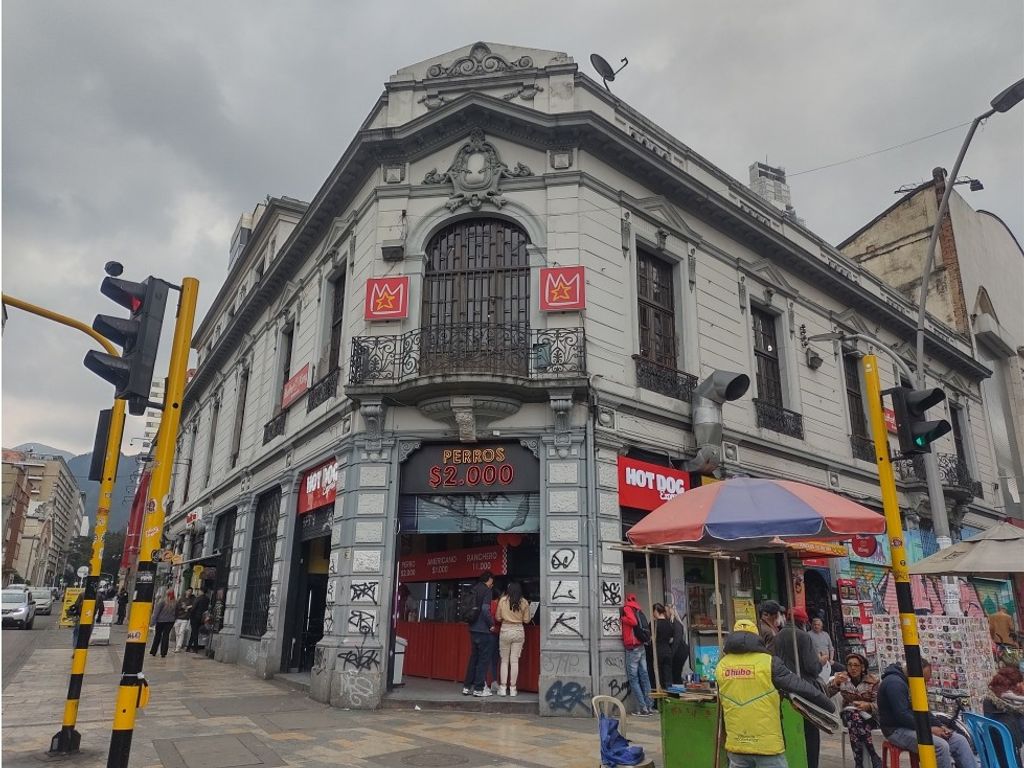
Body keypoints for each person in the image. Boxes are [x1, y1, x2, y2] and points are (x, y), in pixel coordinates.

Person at [716, 619, 835, 768]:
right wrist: (828, 705)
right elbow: (800, 686)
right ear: (756, 637)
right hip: (767, 746)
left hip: (736, 746)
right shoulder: (769, 662)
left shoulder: (721, 666)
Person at [877, 659, 974, 768]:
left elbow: (924, 711)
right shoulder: (895, 684)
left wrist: (940, 726)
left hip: (915, 726)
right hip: (896, 729)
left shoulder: (911, 683)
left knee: (959, 741)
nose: (925, 685)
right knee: (941, 746)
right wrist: (929, 729)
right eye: (923, 680)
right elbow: (902, 715)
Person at [774, 606, 824, 768]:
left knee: (791, 732)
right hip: (804, 690)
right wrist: (821, 662)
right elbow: (812, 667)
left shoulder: (778, 636)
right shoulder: (803, 636)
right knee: (811, 734)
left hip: (784, 689)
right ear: (803, 622)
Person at [826, 652, 882, 768]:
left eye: (856, 665)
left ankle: (858, 762)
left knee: (855, 722)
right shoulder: (842, 679)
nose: (852, 668)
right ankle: (873, 754)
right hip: (848, 715)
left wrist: (868, 706)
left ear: (863, 667)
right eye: (850, 665)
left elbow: (880, 704)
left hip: (869, 718)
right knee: (853, 715)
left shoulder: (873, 681)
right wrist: (835, 683)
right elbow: (825, 694)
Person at [461, 570, 495, 697]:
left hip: (473, 628)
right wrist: (491, 624)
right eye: (492, 581)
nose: (492, 583)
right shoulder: (487, 591)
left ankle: (466, 687)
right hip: (483, 630)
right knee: (483, 660)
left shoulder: (474, 588)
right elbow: (485, 610)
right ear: (489, 579)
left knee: (473, 658)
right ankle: (479, 689)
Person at [621, 593, 655, 717]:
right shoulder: (638, 608)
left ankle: (642, 708)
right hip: (641, 646)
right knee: (645, 677)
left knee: (634, 679)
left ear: (626, 599)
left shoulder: (627, 608)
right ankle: (649, 706)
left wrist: (622, 619)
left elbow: (633, 622)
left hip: (632, 647)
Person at [981, 665, 1024, 765]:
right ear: (1014, 685)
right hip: (1010, 752)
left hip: (992, 755)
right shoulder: (1014, 706)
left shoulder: (989, 700)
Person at [494, 581, 531, 696]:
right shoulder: (524, 602)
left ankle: (503, 688)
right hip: (518, 631)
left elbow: (498, 617)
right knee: (514, 661)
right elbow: (527, 620)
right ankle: (513, 689)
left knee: (504, 660)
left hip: (505, 630)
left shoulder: (503, 600)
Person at [652, 603, 674, 691]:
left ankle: (661, 694)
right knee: (668, 674)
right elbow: (671, 639)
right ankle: (670, 692)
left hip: (658, 651)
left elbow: (651, 639)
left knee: (659, 675)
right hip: (667, 650)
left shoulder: (654, 624)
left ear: (656, 611)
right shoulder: (669, 624)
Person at [150, 589, 177, 658]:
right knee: (166, 636)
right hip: (170, 622)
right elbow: (177, 613)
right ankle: (163, 653)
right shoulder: (175, 602)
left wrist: (152, 622)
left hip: (161, 621)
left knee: (157, 635)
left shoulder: (162, 601)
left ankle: (154, 651)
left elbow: (156, 612)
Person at [668, 605, 690, 685]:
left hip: (679, 651)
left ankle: (678, 689)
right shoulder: (677, 623)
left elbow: (676, 642)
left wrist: (671, 655)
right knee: (676, 673)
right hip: (681, 650)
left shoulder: (676, 624)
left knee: (676, 673)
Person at [186, 588, 210, 653]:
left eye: (199, 591)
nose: (198, 592)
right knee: (194, 632)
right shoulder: (207, 599)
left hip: (195, 617)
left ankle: (195, 648)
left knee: (195, 632)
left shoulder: (198, 598)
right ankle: (189, 647)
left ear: (201, 591)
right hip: (202, 618)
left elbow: (193, 608)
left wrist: (189, 611)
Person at [174, 588, 195, 653]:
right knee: (177, 633)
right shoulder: (181, 598)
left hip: (185, 618)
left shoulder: (192, 599)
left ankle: (178, 647)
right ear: (186, 591)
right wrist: (182, 607)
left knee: (181, 632)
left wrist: (188, 607)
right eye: (188, 591)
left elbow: (193, 607)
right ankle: (177, 645)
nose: (189, 592)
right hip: (178, 618)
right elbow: (176, 607)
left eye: (191, 591)